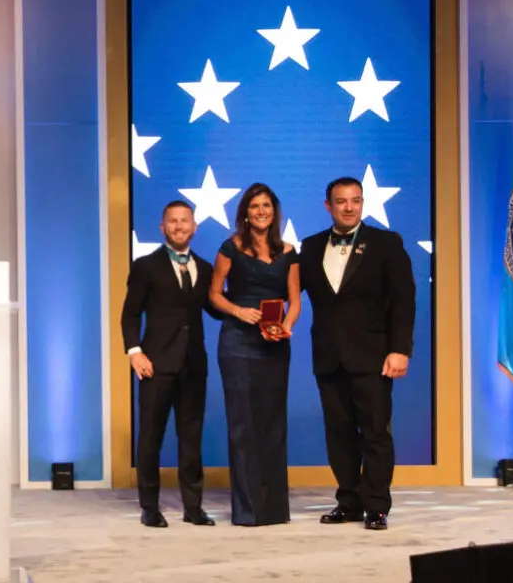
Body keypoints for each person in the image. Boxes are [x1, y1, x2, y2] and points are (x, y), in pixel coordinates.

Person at [298, 176, 416, 531]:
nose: (349, 207)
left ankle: (376, 506)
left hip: (374, 356)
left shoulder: (386, 243)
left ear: (362, 203)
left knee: (376, 433)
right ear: (328, 206)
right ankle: (348, 501)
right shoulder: (310, 246)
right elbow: (286, 290)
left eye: (355, 200)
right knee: (339, 433)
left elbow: (403, 301)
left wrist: (400, 350)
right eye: (341, 201)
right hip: (328, 356)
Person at [208, 183, 299, 526]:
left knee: (273, 425)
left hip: (275, 346)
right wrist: (238, 312)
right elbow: (215, 294)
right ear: (245, 212)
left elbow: (295, 301)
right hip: (237, 344)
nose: (261, 211)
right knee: (243, 425)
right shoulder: (230, 248)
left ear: (274, 211)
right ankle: (247, 511)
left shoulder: (289, 252)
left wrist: (286, 326)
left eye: (267, 206)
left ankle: (274, 510)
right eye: (255, 206)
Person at [120, 199, 215, 528]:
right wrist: (135, 352)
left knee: (191, 438)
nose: (179, 226)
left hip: (193, 366)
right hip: (155, 365)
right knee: (150, 438)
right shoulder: (146, 266)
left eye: (185, 221)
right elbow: (130, 314)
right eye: (172, 221)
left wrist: (249, 311)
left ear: (194, 227)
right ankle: (150, 507)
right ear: (163, 227)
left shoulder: (206, 268)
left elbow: (214, 308)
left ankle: (194, 507)